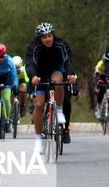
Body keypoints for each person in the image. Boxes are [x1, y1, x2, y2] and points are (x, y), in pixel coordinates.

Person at [26, 23, 77, 153]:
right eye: (44, 37)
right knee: (39, 105)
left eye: (49, 36)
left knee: (58, 81)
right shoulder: (34, 47)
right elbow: (30, 63)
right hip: (40, 76)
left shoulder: (61, 44)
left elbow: (67, 61)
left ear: (53, 35)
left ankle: (59, 112)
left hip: (56, 71)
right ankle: (38, 139)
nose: (48, 39)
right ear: (39, 38)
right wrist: (33, 77)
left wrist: (71, 74)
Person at [0, 43, 18, 133]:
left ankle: (7, 120)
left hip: (6, 78)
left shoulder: (9, 60)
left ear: (5, 55)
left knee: (6, 99)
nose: (0, 59)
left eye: (2, 57)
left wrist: (15, 85)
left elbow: (14, 75)